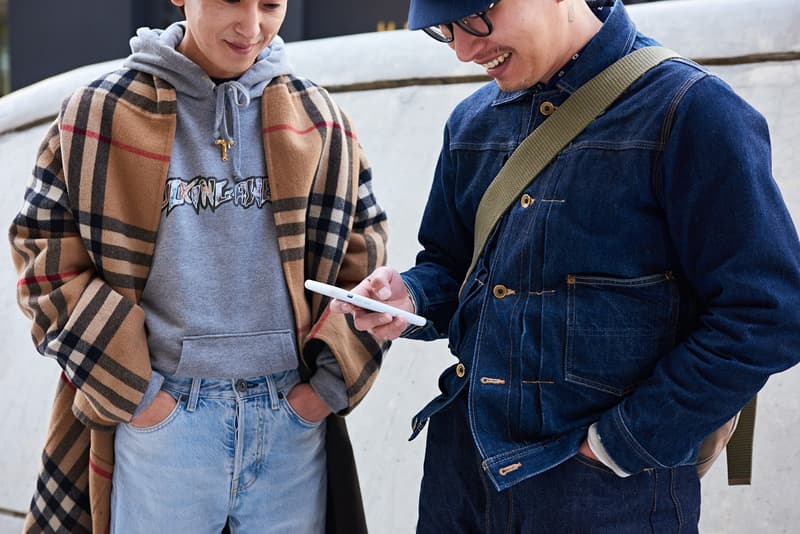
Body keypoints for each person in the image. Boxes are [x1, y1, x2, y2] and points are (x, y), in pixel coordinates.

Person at [331, 0, 800, 532]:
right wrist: (411, 295)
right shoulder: (471, 123)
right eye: (444, 31)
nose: (463, 50)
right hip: (460, 478)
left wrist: (615, 446)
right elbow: (452, 267)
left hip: (605, 496)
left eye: (474, 20)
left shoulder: (690, 110)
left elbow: (769, 314)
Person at [9, 0, 389, 532]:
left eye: (271, 5)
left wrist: (323, 390)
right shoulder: (101, 112)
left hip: (290, 422)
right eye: (232, 1)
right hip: (163, 419)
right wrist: (140, 398)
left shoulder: (319, 118)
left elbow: (363, 255)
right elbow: (43, 257)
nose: (251, 26)